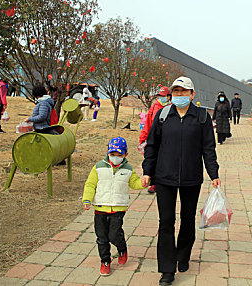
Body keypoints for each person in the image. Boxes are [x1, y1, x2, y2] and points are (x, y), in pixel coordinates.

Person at [142, 76, 220, 286]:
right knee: (166, 222)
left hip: (191, 178)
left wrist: (214, 174)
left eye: (183, 92)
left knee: (187, 220)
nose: (179, 95)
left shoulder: (202, 117)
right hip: (164, 177)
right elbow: (152, 146)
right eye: (175, 92)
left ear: (192, 95)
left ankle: (183, 255)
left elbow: (208, 149)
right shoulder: (163, 115)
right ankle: (167, 270)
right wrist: (147, 171)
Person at [82, 137, 144, 276]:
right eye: (113, 154)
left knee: (114, 234)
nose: (115, 158)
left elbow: (134, 183)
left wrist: (144, 183)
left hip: (118, 208)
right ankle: (105, 261)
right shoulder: (99, 167)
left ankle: (121, 248)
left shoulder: (128, 169)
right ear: (108, 153)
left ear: (125, 155)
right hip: (100, 208)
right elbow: (90, 184)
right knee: (102, 237)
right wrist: (87, 199)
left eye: (119, 155)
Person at [138, 86, 172, 194]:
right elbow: (147, 124)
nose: (161, 98)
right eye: (159, 96)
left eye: (163, 96)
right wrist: (143, 139)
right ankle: (153, 183)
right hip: (154, 138)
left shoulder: (173, 108)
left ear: (169, 97)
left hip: (167, 140)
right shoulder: (154, 107)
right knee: (153, 160)